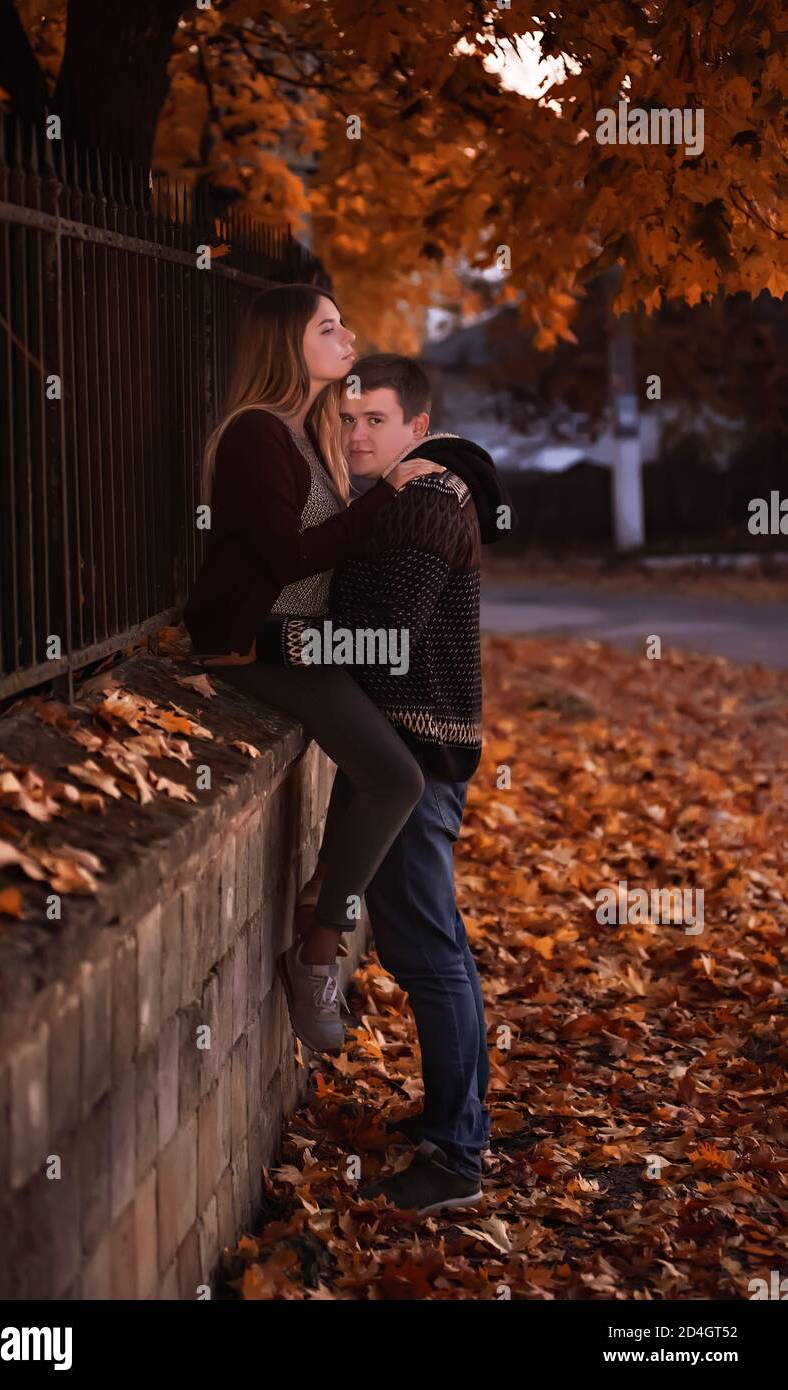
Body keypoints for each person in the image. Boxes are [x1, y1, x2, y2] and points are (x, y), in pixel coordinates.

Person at [256, 353, 513, 1216]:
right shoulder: (409, 496)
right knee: (433, 947)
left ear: (418, 427)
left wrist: (270, 648)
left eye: (377, 420)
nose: (358, 434)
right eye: (349, 417)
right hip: (402, 748)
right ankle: (457, 1122)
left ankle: (455, 1155)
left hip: (415, 760)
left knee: (429, 955)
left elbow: (383, 639)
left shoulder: (423, 506)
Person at [182, 286, 443, 1057]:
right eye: (327, 327)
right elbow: (290, 556)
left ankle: (323, 886)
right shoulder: (256, 436)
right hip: (252, 642)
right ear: (284, 345)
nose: (347, 335)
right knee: (398, 778)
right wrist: (387, 495)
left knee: (394, 711)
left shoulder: (306, 430)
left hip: (300, 637)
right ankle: (317, 945)